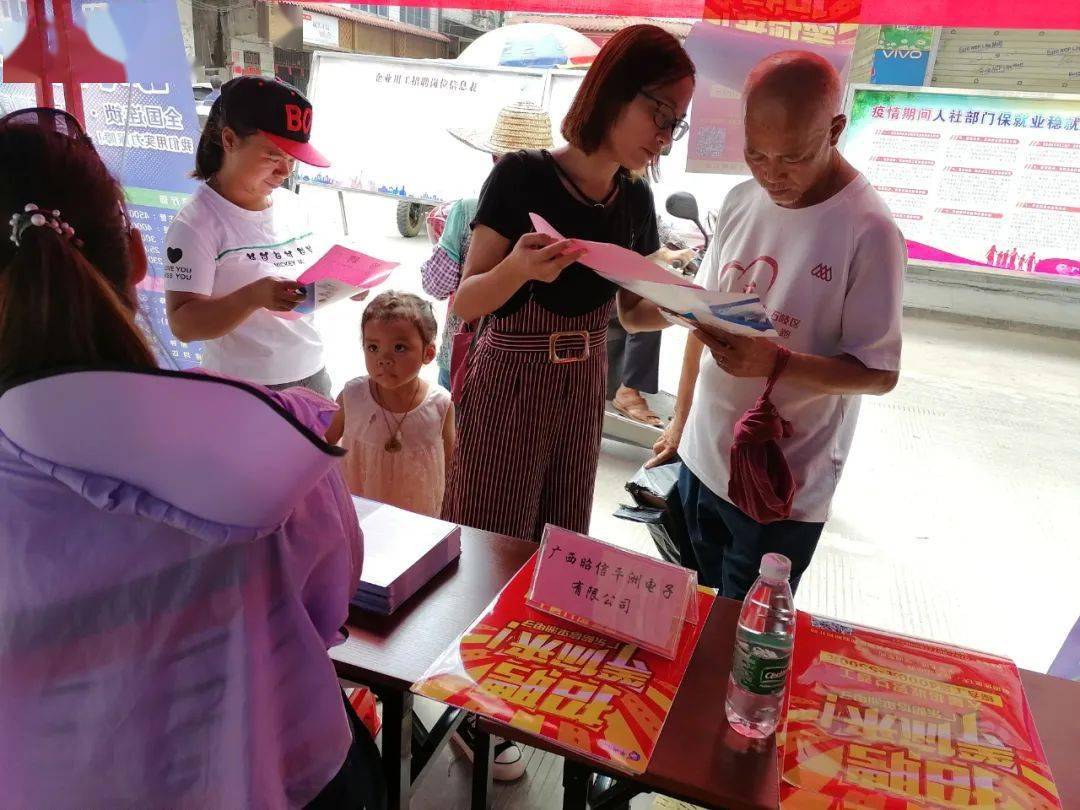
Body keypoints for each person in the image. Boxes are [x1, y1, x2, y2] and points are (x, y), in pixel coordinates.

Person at [0, 109, 376, 807]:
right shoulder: (277, 445)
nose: (284, 165)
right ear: (138, 261)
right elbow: (326, 612)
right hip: (271, 774)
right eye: (273, 148)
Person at [650, 52, 905, 600]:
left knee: (745, 638)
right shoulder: (743, 199)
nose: (772, 175)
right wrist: (680, 423)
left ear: (835, 130)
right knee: (691, 610)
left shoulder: (869, 229)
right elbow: (706, 316)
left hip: (780, 487)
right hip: (702, 458)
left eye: (792, 157)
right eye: (756, 155)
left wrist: (777, 363)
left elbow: (879, 374)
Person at [442, 24, 694, 544]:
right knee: (490, 538)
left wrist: (689, 311)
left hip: (585, 387)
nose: (665, 136)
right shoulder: (520, 175)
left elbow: (632, 314)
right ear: (614, 92)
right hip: (509, 379)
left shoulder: (635, 200)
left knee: (559, 539)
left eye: (677, 124)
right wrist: (518, 268)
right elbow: (466, 302)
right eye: (660, 114)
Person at [164, 76, 340, 396]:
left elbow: (312, 283)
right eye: (273, 156)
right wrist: (252, 296)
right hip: (242, 388)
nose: (284, 172)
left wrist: (344, 285)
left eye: (291, 159)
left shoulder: (295, 208)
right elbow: (183, 325)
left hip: (312, 374)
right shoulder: (197, 223)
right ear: (229, 140)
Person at [422, 102, 555, 391]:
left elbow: (436, 284)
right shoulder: (556, 218)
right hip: (534, 362)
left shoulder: (467, 210)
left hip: (467, 349)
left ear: (495, 159)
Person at [326, 292, 453, 518]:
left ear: (428, 353)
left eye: (399, 348)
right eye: (373, 348)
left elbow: (452, 466)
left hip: (417, 519)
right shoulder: (352, 396)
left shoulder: (440, 405)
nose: (384, 359)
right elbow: (322, 448)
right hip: (359, 516)